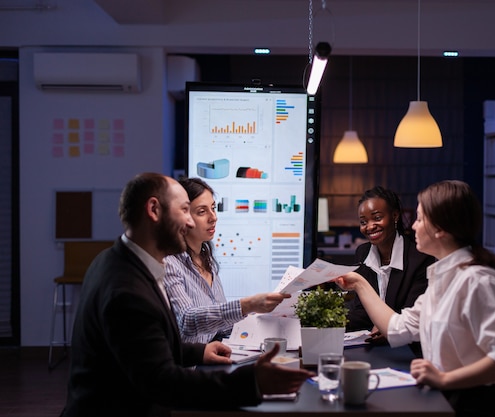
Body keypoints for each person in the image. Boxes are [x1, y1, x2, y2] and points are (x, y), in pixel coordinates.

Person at [61, 172, 313, 417]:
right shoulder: (127, 291)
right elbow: (163, 383)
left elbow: (145, 348)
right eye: (185, 210)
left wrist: (198, 353)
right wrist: (252, 383)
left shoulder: (116, 260)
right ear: (154, 210)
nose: (191, 222)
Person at [335, 180, 495, 417]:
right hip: (446, 398)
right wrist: (359, 283)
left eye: (419, 218)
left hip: (478, 404)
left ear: (439, 228)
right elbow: (398, 327)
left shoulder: (480, 281)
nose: (414, 226)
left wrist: (445, 378)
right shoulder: (442, 280)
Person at [164, 177, 289, 343]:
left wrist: (266, 314)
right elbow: (187, 321)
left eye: (213, 208)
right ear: (182, 217)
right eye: (202, 212)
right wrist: (247, 305)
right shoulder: (169, 264)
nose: (213, 217)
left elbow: (221, 327)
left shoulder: (206, 260)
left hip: (210, 359)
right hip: (189, 365)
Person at [346, 186, 435, 348]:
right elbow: (361, 310)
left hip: (409, 349)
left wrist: (387, 328)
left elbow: (412, 316)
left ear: (395, 216)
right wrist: (329, 321)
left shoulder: (420, 257)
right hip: (371, 344)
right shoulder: (363, 253)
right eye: (363, 222)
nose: (370, 226)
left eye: (377, 218)